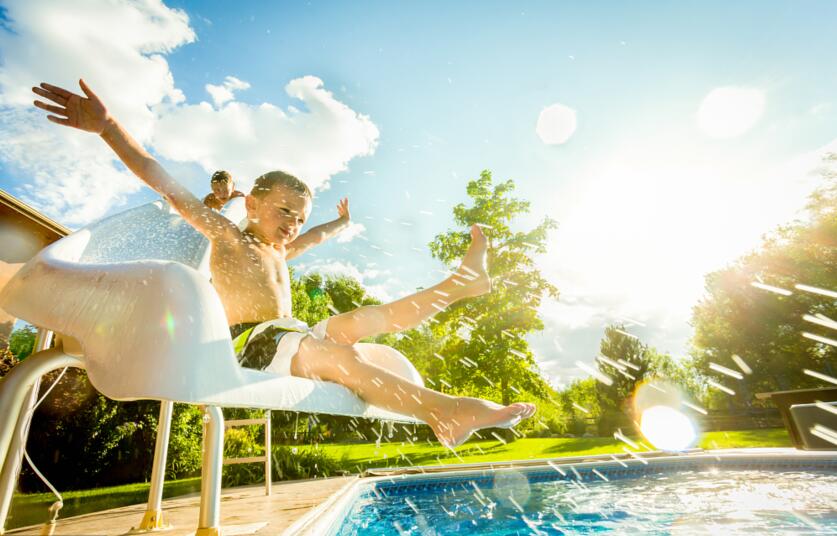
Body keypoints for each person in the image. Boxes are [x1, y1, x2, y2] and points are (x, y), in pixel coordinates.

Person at [31, 79, 536, 449]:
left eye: (300, 219)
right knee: (344, 359)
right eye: (284, 212)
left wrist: (337, 227)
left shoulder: (281, 250)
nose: (293, 225)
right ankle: (445, 411)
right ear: (251, 204)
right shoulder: (229, 235)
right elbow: (166, 183)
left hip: (291, 336)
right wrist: (109, 128)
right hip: (254, 343)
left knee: (358, 321)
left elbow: (313, 236)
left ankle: (460, 284)